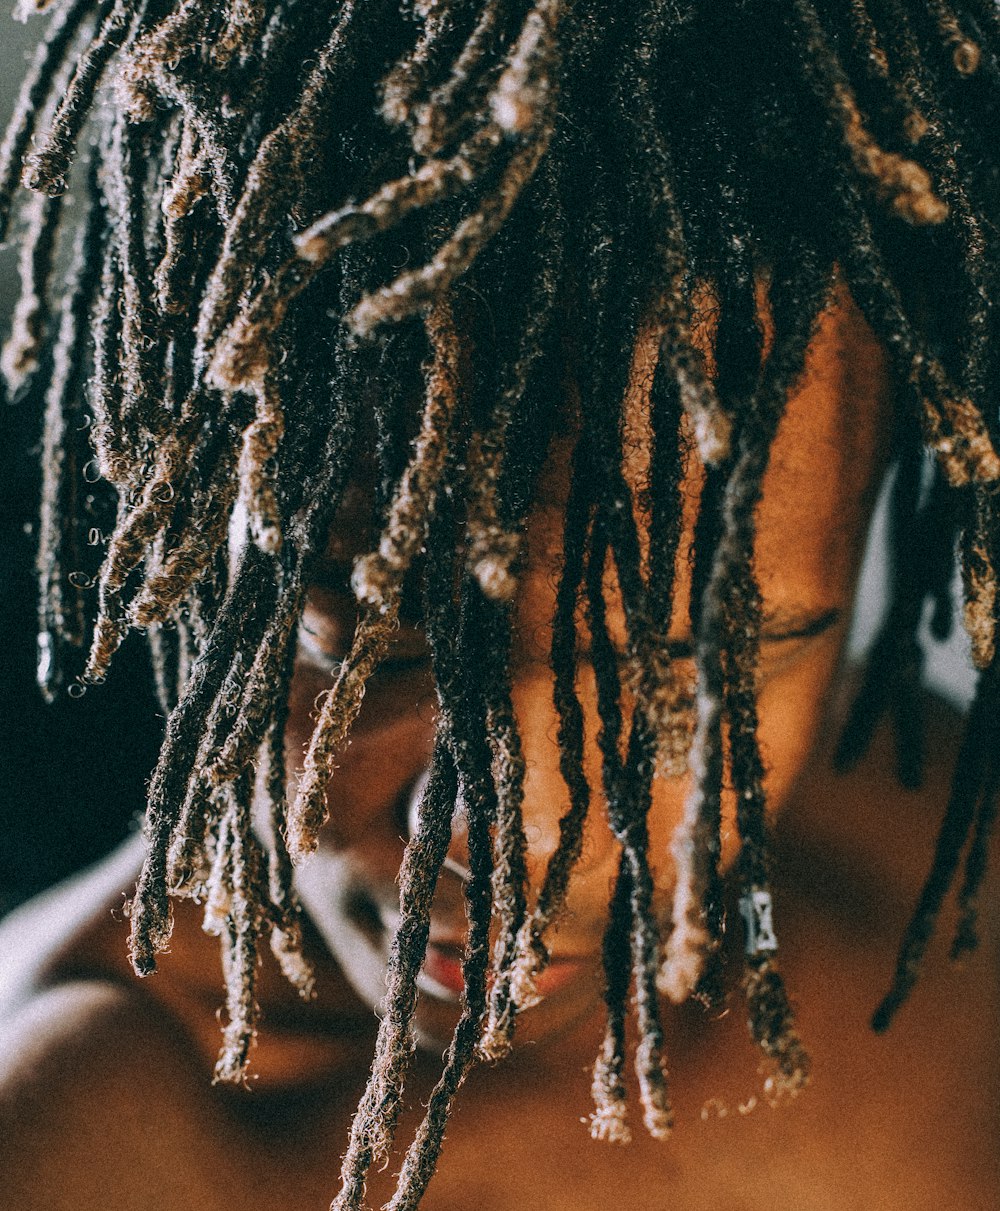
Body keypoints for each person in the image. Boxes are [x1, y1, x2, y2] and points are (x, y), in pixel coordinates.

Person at [0, 1, 997, 1207]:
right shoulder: (83, 1134)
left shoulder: (958, 920)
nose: (505, 837)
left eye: (681, 679)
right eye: (371, 644)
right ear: (185, 517)